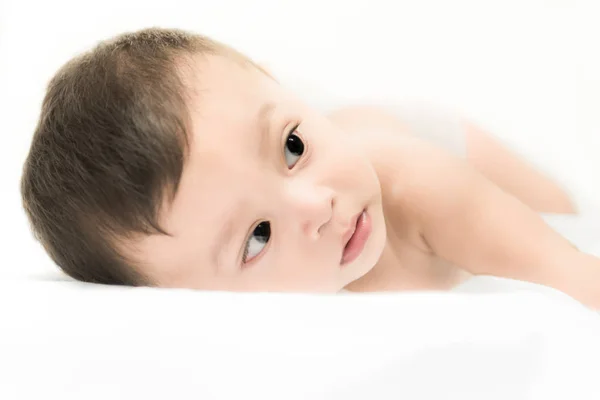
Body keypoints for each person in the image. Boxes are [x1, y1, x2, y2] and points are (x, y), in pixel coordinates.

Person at [20, 27, 600, 307]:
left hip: (431, 140)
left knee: (560, 210)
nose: (317, 205)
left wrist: (569, 264)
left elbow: (575, 275)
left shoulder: (419, 184)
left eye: (294, 149)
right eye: (257, 237)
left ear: (281, 89)